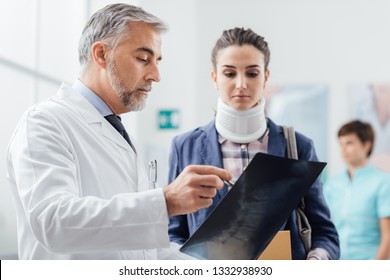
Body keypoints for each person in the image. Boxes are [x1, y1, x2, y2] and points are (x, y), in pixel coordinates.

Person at [6, 3, 231, 260]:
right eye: (143, 59)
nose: (156, 75)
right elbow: (53, 222)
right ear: (101, 54)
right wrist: (166, 201)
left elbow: (146, 252)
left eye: (156, 61)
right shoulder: (44, 122)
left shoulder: (119, 135)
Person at [168, 27, 340, 260]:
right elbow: (173, 233)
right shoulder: (184, 146)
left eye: (252, 73)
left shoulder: (298, 146)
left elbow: (325, 232)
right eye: (229, 74)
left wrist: (316, 261)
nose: (241, 84)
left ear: (265, 77)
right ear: (215, 78)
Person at [324, 120, 390, 259]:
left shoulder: (383, 182)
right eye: (340, 144)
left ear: (366, 145)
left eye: (349, 143)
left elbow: (387, 236)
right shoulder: (333, 183)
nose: (343, 149)